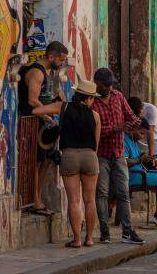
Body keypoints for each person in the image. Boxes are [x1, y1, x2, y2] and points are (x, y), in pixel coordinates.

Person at [91, 68, 144, 245]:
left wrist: (133, 123)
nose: (109, 87)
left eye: (110, 84)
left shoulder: (118, 97)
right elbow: (93, 129)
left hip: (119, 153)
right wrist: (115, 128)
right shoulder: (92, 102)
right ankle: (104, 231)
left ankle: (127, 231)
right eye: (106, 85)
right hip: (102, 154)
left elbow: (131, 116)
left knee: (123, 192)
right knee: (102, 193)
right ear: (97, 84)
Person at [18, 41, 69, 216]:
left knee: (47, 160)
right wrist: (48, 117)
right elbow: (33, 100)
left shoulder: (48, 73)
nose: (62, 64)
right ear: (51, 56)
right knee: (36, 162)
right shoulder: (36, 72)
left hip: (45, 125)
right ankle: (35, 201)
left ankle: (37, 198)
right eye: (60, 60)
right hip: (34, 124)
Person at [59, 78, 101, 248]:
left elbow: (38, 109)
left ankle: (76, 239)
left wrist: (49, 118)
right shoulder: (96, 116)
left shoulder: (64, 107)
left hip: (69, 156)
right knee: (90, 200)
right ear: (89, 98)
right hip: (90, 156)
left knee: (74, 200)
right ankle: (89, 238)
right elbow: (95, 145)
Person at [124, 120, 157, 230]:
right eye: (141, 133)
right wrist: (140, 160)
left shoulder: (133, 141)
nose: (142, 137)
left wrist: (152, 159)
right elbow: (124, 162)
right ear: (134, 129)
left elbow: (141, 154)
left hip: (141, 173)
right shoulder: (124, 140)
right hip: (134, 176)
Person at [127, 96, 157, 171]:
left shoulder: (151, 109)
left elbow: (150, 133)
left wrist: (151, 158)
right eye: (136, 116)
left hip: (156, 148)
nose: (138, 118)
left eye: (139, 115)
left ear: (142, 108)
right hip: (140, 151)